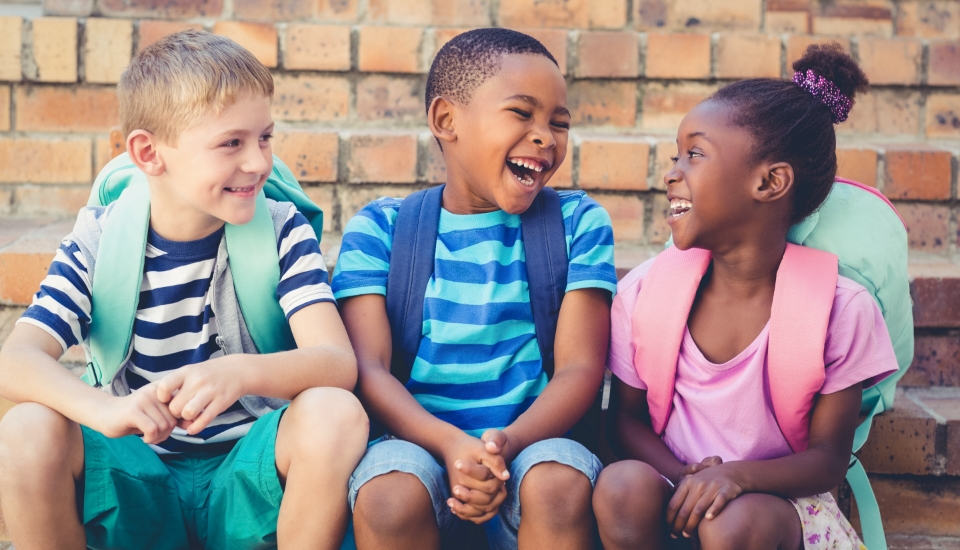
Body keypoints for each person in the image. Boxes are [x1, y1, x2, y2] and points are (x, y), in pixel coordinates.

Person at [0, 30, 367, 550]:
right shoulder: (101, 241)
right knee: (25, 428)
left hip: (250, 477)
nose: (260, 162)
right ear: (149, 153)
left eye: (265, 137)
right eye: (231, 143)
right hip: (137, 472)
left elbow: (337, 362)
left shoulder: (283, 229)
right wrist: (104, 410)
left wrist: (241, 373)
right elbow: (15, 361)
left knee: (335, 411)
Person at [594, 44, 899, 550]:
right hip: (676, 485)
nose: (672, 172)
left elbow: (826, 460)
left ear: (770, 181)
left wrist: (737, 478)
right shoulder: (646, 292)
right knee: (621, 485)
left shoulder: (841, 309)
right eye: (676, 155)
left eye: (694, 153)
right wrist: (689, 475)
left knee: (730, 524)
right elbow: (623, 419)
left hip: (779, 507)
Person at [332, 28, 618, 550]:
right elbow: (367, 368)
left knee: (558, 483)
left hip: (534, 450)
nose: (545, 137)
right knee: (388, 494)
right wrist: (449, 445)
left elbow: (581, 368)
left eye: (559, 122)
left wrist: (504, 446)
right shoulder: (381, 229)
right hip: (416, 449)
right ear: (446, 120)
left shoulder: (579, 222)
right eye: (521, 113)